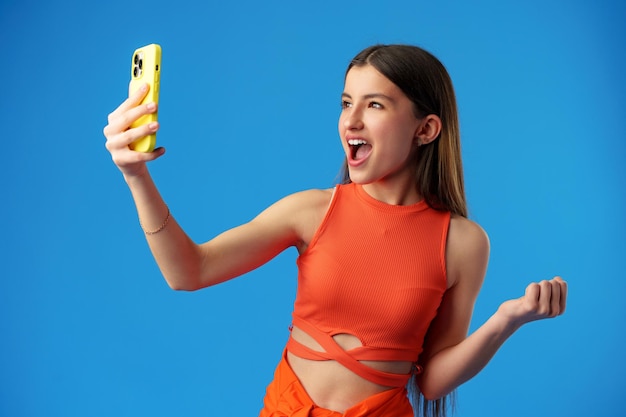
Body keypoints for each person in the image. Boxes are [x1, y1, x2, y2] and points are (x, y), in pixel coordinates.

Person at [103, 44, 567, 417]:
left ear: (425, 129)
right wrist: (135, 175)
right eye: (347, 103)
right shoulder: (310, 210)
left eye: (375, 104)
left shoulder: (463, 242)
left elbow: (430, 378)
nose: (352, 120)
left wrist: (506, 321)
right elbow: (189, 271)